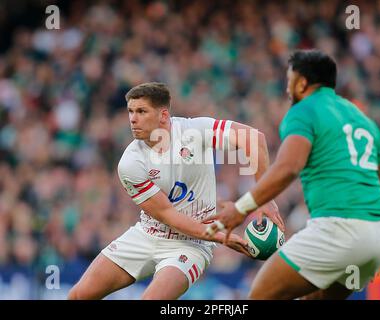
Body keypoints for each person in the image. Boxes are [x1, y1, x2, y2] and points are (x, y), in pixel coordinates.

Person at [205, 50, 380, 300]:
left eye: (289, 80)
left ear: (302, 83)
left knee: (259, 297)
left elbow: (288, 168)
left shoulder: (305, 110)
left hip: (339, 230)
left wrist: (240, 209)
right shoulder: (364, 121)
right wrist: (369, 241)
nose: (287, 88)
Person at [68, 82, 284, 300]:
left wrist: (265, 198)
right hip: (148, 234)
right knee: (78, 295)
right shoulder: (131, 162)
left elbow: (254, 139)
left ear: (163, 115)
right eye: (131, 112)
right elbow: (168, 216)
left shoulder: (194, 131)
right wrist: (221, 237)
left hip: (190, 245)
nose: (133, 119)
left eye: (142, 111)